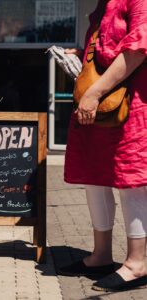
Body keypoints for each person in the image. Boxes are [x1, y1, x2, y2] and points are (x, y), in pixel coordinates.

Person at [60, 0, 147, 292]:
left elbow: (137, 49)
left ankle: (137, 263)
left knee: (130, 180)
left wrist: (94, 92)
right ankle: (101, 255)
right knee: (94, 176)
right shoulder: (102, 4)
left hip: (132, 104)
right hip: (103, 103)